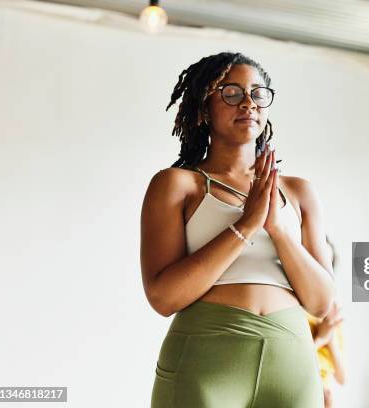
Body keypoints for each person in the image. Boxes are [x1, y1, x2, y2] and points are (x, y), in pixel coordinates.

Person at [140, 51, 336, 407]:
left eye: (258, 94)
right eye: (231, 93)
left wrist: (277, 228)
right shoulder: (177, 185)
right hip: (206, 354)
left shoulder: (298, 192)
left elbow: (321, 303)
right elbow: (163, 297)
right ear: (203, 109)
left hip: (290, 357)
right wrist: (246, 224)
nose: (248, 103)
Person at [307, 236, 346, 408]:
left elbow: (342, 377)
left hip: (324, 395)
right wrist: (320, 339)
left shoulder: (331, 315)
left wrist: (329, 339)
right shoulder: (292, 309)